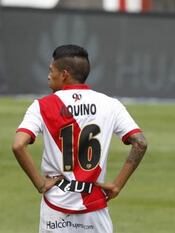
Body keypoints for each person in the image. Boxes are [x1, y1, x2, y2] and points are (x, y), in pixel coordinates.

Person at [12, 44, 148, 233]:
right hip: (94, 206)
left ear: (64, 74)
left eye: (51, 70)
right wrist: (117, 185)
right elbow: (140, 143)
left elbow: (18, 145)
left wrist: (40, 183)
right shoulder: (110, 105)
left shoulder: (41, 106)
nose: (48, 75)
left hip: (56, 207)